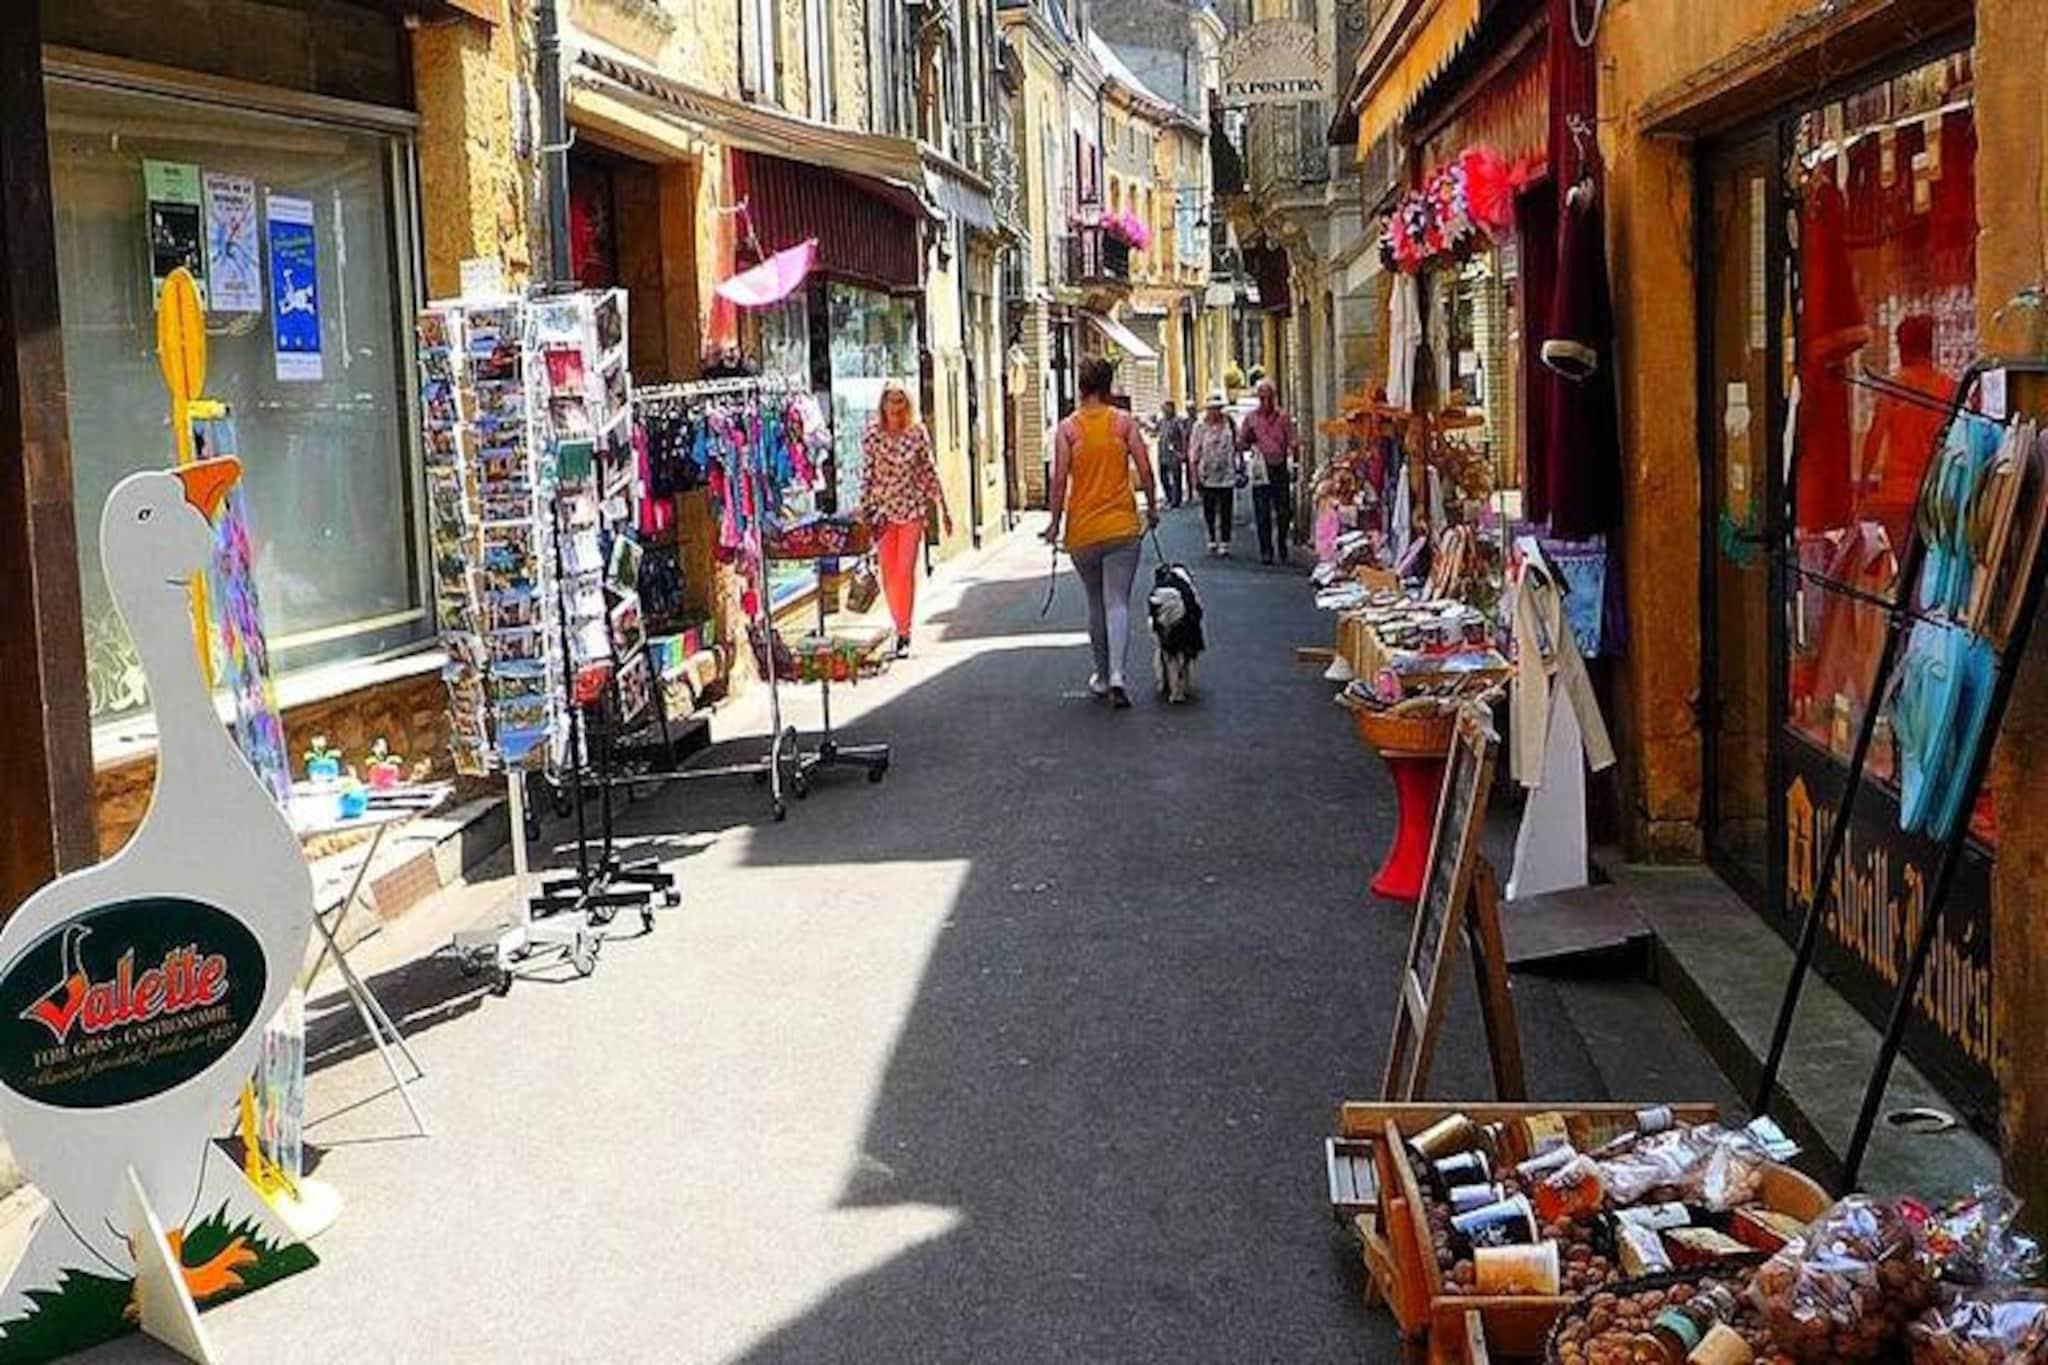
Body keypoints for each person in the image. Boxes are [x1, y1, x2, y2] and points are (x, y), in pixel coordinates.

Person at [1042, 357, 1160, 708]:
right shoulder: (1123, 423)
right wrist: (1152, 508)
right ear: (1108, 386)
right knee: (1118, 601)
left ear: (1081, 387)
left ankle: (1103, 675)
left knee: (1096, 602)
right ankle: (1120, 674)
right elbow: (1145, 468)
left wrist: (1054, 522)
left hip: (1084, 530)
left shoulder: (1068, 429)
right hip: (1122, 526)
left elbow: (1059, 480)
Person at [860, 380, 953, 657]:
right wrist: (864, 509)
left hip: (912, 509)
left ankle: (904, 631)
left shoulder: (916, 433)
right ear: (883, 404)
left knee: (904, 570)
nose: (896, 407)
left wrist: (944, 507)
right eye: (891, 401)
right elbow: (867, 473)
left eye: (900, 401)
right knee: (888, 575)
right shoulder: (872, 435)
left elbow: (928, 470)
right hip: (883, 512)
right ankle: (898, 622)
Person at [1238, 378, 1301, 564]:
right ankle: (1266, 549)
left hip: (1279, 466)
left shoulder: (1283, 417)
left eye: (1269, 398)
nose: (1266, 402)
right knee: (1262, 511)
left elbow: (1293, 440)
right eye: (1262, 398)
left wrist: (1295, 459)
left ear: (1274, 397)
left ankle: (1281, 543)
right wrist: (1247, 441)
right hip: (1261, 468)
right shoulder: (1251, 418)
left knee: (1284, 510)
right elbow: (1241, 442)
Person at [1190, 390, 1239, 556]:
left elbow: (1237, 445)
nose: (1215, 412)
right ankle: (1211, 537)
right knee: (1209, 508)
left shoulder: (1229, 423)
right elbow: (1194, 451)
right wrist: (1194, 475)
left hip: (1227, 473)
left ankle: (1225, 540)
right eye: (1212, 408)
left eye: (1218, 408)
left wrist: (1239, 465)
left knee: (1226, 509)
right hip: (1207, 474)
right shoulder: (1199, 426)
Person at [1155, 400, 1189, 508]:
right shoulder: (1161, 421)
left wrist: (1183, 452)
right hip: (1163, 453)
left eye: (1166, 408)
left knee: (1176, 478)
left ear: (1172, 409)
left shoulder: (1177, 421)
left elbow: (1183, 436)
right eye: (1163, 409)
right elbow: (1155, 431)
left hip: (1174, 454)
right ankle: (1169, 497)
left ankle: (1176, 500)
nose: (1164, 410)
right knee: (1163, 476)